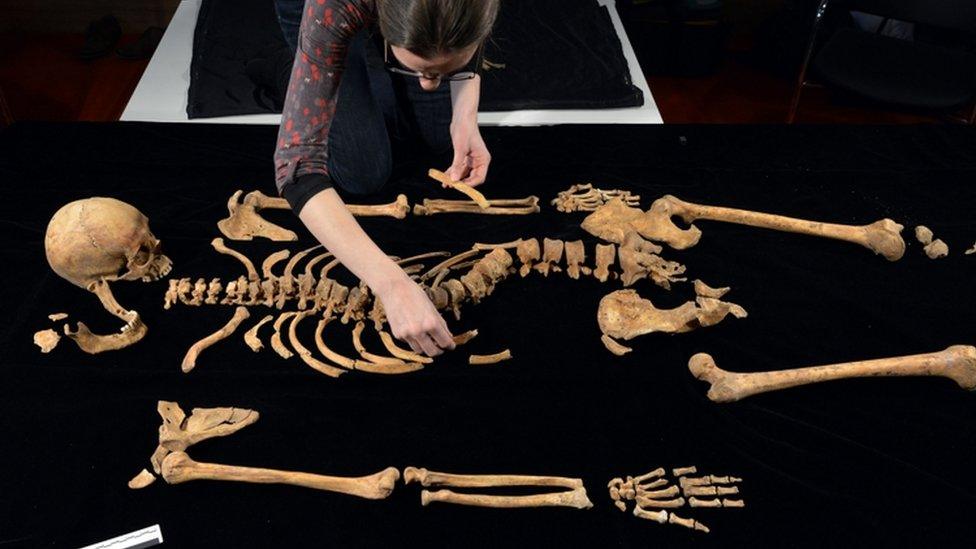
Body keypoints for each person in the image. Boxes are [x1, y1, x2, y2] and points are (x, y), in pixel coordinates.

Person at [272, 0, 499, 358]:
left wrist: (465, 117)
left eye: (438, 73)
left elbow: (473, 22)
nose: (429, 85)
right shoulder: (331, 7)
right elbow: (297, 166)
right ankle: (317, 64)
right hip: (329, 14)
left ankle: (371, 69)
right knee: (363, 172)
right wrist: (391, 284)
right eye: (422, 71)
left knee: (439, 137)